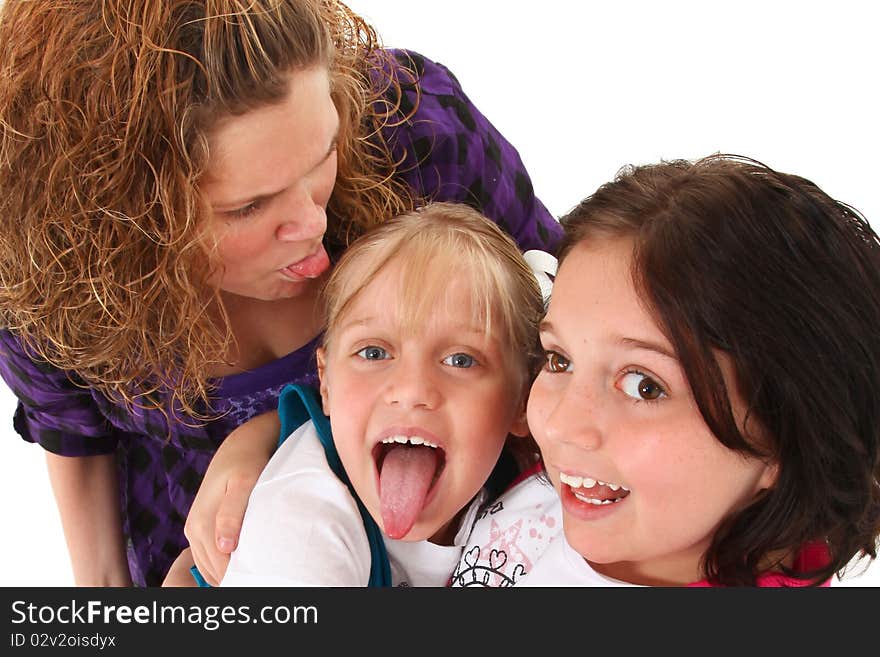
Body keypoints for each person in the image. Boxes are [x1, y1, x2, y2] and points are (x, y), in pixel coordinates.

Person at [0, 0, 562, 586]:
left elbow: (568, 318)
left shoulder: (417, 134)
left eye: (324, 156)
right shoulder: (47, 269)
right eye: (248, 206)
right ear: (118, 215)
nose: (312, 226)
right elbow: (74, 434)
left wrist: (271, 429)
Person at [452, 155, 880, 587]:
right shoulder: (574, 488)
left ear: (785, 439)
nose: (561, 424)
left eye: (644, 386)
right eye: (560, 360)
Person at [164, 202, 543, 586]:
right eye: (374, 353)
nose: (411, 391)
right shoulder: (304, 517)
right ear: (325, 383)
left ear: (523, 398)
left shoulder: (546, 487)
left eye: (461, 360)